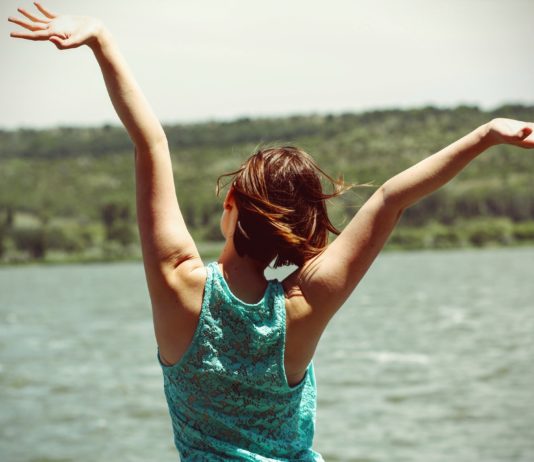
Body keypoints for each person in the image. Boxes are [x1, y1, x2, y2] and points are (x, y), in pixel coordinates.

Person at [9, 3, 534, 461]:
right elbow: (391, 198)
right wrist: (487, 134)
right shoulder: (305, 305)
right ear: (300, 232)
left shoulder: (179, 287)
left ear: (231, 202)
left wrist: (101, 39)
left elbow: (151, 144)